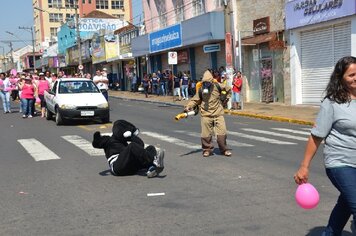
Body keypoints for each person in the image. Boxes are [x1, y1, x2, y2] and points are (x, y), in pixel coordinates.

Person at [294, 56, 356, 236]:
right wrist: (304, 166)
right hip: (340, 163)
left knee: (346, 203)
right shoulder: (333, 102)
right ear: (341, 77)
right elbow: (316, 136)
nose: (355, 78)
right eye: (351, 75)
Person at [92, 119, 165, 178]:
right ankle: (154, 161)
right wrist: (97, 137)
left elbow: (140, 145)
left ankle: (151, 169)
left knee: (150, 148)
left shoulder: (125, 141)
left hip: (131, 168)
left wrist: (132, 137)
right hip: (118, 166)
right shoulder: (108, 140)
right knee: (132, 146)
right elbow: (96, 144)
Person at [184, 70, 232, 157]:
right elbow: (196, 99)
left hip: (218, 113)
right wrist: (189, 106)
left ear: (211, 81)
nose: (206, 84)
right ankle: (207, 149)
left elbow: (228, 89)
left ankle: (224, 149)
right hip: (206, 114)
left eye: (208, 82)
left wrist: (225, 99)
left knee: (222, 133)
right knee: (205, 134)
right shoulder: (201, 89)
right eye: (204, 82)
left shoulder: (218, 86)